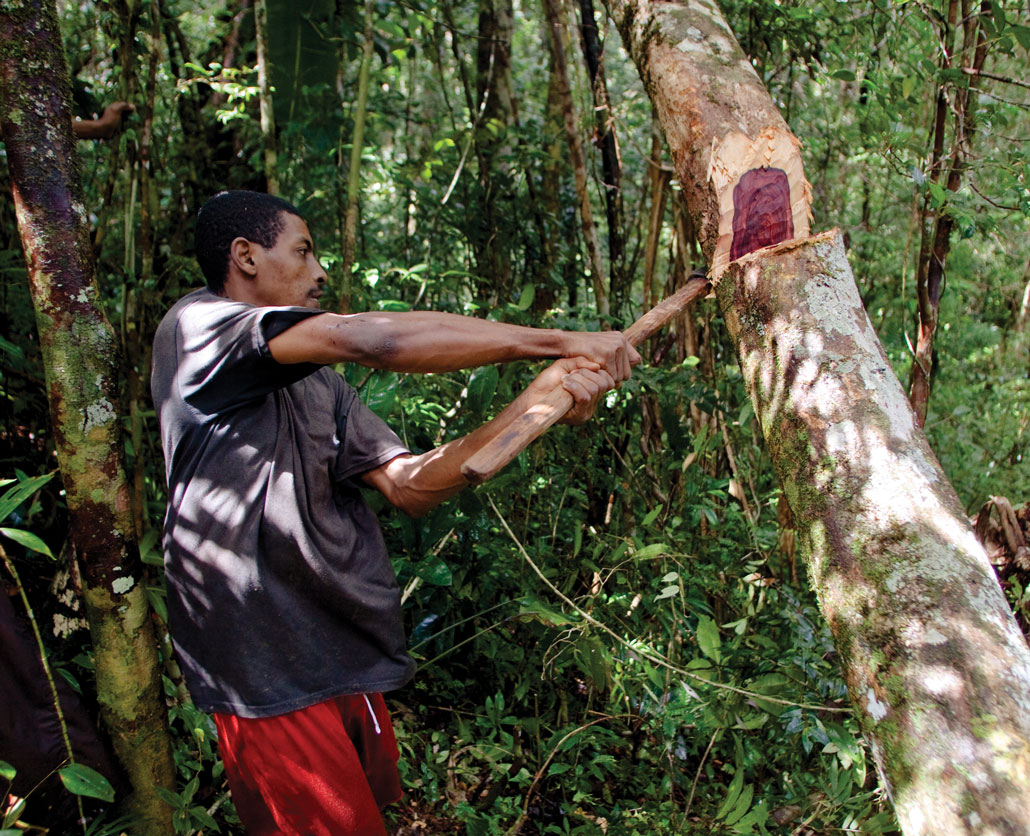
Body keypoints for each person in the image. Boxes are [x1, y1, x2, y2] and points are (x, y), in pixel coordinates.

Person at [151, 190, 639, 836]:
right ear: (246, 256)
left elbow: (409, 484)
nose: (320, 270)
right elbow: (374, 338)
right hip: (267, 666)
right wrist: (554, 341)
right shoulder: (198, 327)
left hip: (333, 647)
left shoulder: (318, 382)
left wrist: (540, 398)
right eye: (303, 251)